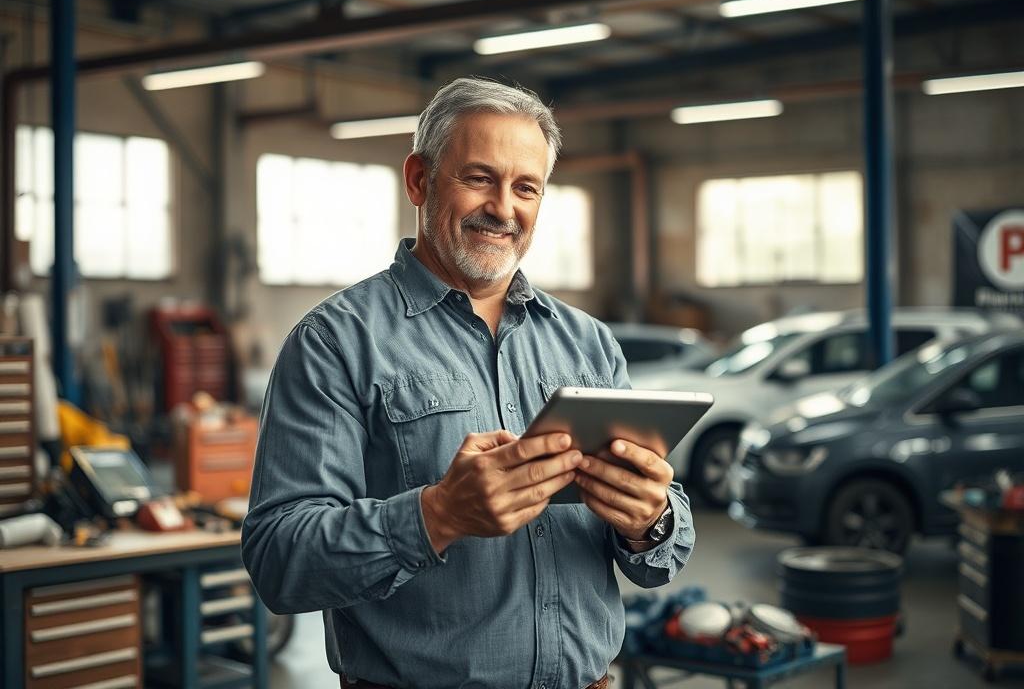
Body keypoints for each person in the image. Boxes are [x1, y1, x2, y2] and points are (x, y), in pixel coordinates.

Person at [242, 77, 695, 689]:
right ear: (419, 180)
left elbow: (655, 558)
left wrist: (651, 520)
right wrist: (437, 515)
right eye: (479, 178)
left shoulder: (589, 343)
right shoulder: (334, 343)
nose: (504, 209)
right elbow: (279, 561)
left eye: (526, 187)